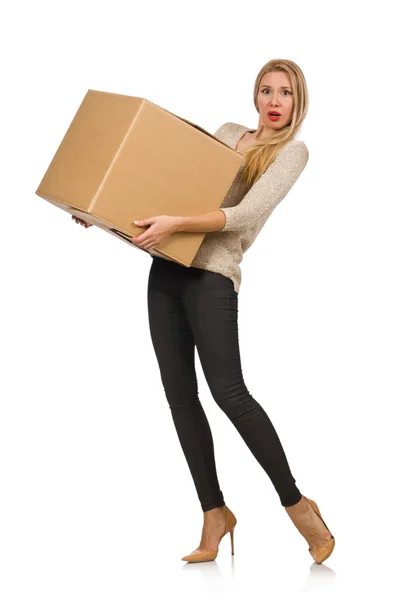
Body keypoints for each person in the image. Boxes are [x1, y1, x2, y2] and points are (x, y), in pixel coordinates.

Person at [73, 58, 335, 565]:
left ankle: (298, 505)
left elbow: (245, 216)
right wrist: (106, 212)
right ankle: (214, 513)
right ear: (254, 96)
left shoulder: (292, 152)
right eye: (266, 90)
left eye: (285, 93)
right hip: (167, 270)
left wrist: (175, 222)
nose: (275, 102)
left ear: (298, 101)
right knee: (179, 396)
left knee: (229, 393)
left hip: (213, 275)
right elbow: (177, 190)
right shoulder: (227, 133)